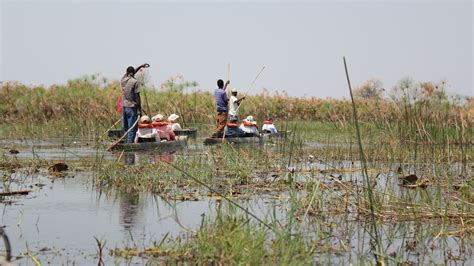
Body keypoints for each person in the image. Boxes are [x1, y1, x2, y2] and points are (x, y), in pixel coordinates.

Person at [121, 63, 150, 143]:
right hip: (132, 107)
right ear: (133, 73)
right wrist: (139, 109)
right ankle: (129, 146)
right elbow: (137, 96)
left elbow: (132, 72)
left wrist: (140, 66)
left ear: (127, 73)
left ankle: (125, 143)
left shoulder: (123, 79)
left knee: (126, 128)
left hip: (124, 107)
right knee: (132, 128)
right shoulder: (135, 82)